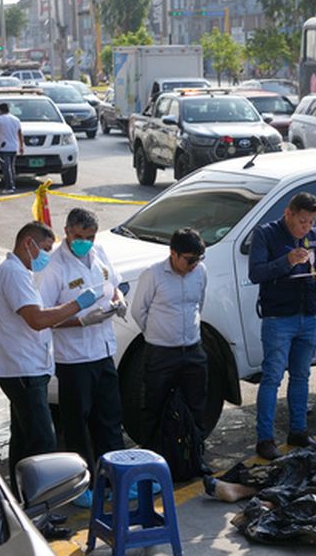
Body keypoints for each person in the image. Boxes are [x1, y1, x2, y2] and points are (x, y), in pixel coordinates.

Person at [0, 221, 99, 538]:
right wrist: (77, 304)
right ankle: (38, 518)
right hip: (22, 370)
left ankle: (24, 514)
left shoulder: (19, 273)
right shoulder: (13, 274)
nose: (47, 256)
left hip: (24, 368)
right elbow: (37, 319)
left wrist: (74, 316)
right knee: (42, 443)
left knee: (24, 442)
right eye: (45, 249)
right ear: (28, 244)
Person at [37, 208, 127, 508]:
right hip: (74, 358)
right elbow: (44, 317)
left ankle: (118, 480)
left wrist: (118, 300)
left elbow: (113, 283)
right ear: (67, 232)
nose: (85, 243)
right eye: (79, 238)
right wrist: (81, 321)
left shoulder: (99, 251)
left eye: (89, 237)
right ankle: (82, 486)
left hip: (103, 350)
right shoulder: (53, 267)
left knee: (110, 419)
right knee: (78, 424)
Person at [248, 192, 316, 461]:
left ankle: (298, 431)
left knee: (302, 375)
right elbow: (257, 273)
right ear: (288, 213)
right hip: (278, 317)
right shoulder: (266, 234)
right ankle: (265, 438)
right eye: (302, 221)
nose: (306, 228)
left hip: (309, 314)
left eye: (310, 222)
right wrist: (288, 261)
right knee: (272, 377)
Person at [131, 227, 212, 475]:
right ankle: (152, 464)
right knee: (153, 408)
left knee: (197, 407)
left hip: (193, 349)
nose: (194, 265)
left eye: (198, 260)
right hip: (161, 353)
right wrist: (158, 335)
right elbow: (138, 311)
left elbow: (199, 304)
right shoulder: (153, 274)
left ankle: (195, 459)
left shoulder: (200, 272)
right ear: (173, 254)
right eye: (189, 260)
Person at [0, 102, 24, 193]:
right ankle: (13, 185)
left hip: (4, 147)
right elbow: (20, 134)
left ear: (0, 110)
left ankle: (9, 187)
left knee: (5, 168)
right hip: (14, 147)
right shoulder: (16, 119)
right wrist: (21, 146)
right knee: (12, 168)